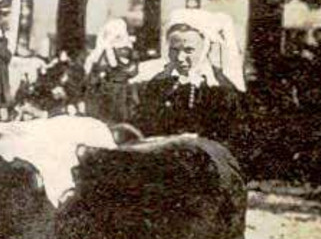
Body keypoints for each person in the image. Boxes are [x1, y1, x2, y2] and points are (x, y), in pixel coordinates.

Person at [135, 11, 245, 151]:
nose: (180, 57)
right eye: (174, 50)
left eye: (189, 50)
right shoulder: (159, 84)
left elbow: (231, 139)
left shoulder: (221, 88)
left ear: (204, 48)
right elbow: (144, 125)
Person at [82, 17, 140, 124]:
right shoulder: (99, 53)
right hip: (102, 93)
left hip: (117, 92)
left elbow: (130, 70)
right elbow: (91, 75)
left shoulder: (124, 51)